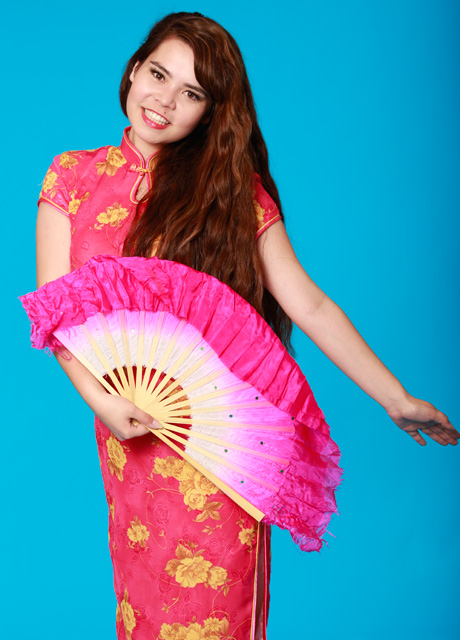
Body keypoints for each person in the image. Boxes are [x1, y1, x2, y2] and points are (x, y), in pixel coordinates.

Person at [34, 11, 458, 640]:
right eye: (158, 75)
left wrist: (395, 398)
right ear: (133, 70)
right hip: (130, 442)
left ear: (210, 111)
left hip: (221, 442)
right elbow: (58, 315)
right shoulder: (71, 177)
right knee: (143, 617)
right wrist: (102, 401)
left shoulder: (232, 192)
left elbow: (308, 304)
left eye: (192, 93)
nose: (164, 101)